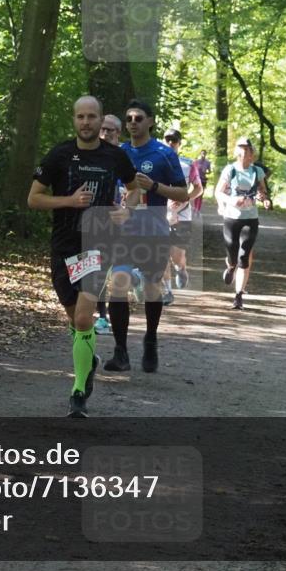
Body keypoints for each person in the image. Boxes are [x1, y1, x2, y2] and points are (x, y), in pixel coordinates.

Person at [28, 96, 138, 417]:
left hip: (97, 244)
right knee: (74, 319)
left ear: (100, 120)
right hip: (63, 245)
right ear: (74, 120)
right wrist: (69, 200)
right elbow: (34, 198)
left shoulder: (115, 156)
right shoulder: (59, 154)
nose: (86, 122)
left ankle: (78, 392)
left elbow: (134, 189)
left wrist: (126, 210)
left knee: (83, 318)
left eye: (91, 116)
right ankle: (88, 360)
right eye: (81, 117)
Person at [112, 100, 188, 374]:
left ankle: (151, 339)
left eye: (138, 118)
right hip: (124, 232)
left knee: (151, 287)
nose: (133, 122)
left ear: (150, 121)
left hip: (153, 231)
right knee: (118, 284)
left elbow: (183, 193)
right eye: (129, 118)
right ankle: (120, 351)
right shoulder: (119, 152)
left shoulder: (163, 154)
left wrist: (155, 186)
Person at [215, 136, 272, 310]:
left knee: (244, 256)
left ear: (251, 153)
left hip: (250, 218)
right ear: (236, 152)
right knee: (233, 255)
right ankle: (231, 267)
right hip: (232, 217)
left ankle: (238, 296)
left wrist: (265, 200)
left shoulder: (257, 171)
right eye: (241, 148)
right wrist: (231, 201)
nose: (244, 152)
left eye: (247, 149)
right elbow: (218, 192)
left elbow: (263, 191)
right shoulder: (230, 170)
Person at [162, 129, 203, 294]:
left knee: (177, 256)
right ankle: (167, 291)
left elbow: (199, 188)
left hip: (182, 215)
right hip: (160, 214)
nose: (171, 143)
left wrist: (185, 198)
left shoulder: (188, 164)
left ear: (180, 143)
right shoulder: (154, 162)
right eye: (168, 140)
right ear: (163, 141)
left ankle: (181, 268)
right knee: (162, 254)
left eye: (174, 140)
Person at [94, 114, 123, 336]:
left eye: (109, 130)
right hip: (97, 223)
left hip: (125, 224)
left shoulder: (125, 156)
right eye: (102, 129)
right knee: (99, 269)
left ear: (118, 133)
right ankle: (102, 316)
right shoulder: (90, 155)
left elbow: (136, 189)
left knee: (120, 271)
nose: (104, 133)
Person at [194, 149, 212, 214]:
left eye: (204, 153)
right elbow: (193, 171)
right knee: (196, 194)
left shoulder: (208, 162)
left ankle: (198, 209)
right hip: (197, 180)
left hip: (203, 180)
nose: (203, 154)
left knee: (201, 194)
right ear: (200, 154)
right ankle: (195, 208)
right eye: (202, 153)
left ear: (206, 154)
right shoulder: (196, 162)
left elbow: (210, 171)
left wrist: (206, 172)